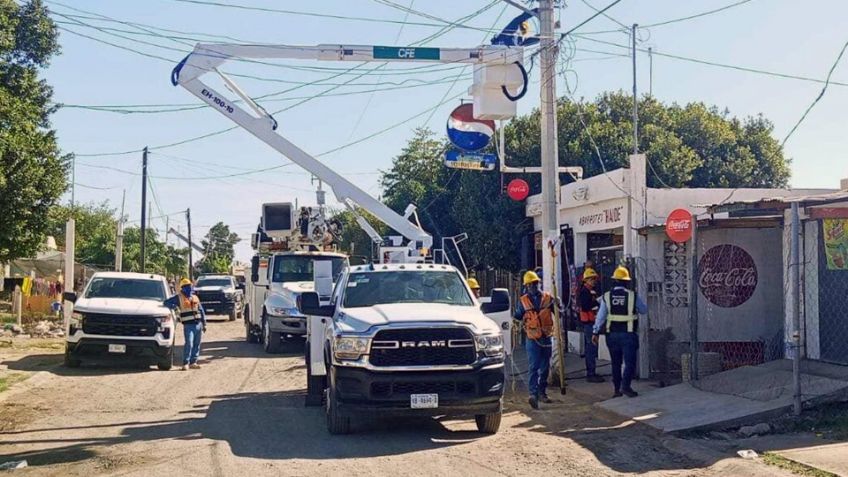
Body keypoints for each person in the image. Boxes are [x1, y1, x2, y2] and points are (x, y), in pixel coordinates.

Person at [592, 266, 647, 398]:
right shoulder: (632, 296)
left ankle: (617, 390)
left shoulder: (606, 296)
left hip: (612, 336)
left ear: (614, 281)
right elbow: (644, 310)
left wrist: (595, 332)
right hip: (628, 335)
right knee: (630, 363)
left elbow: (600, 317)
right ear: (626, 282)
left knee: (615, 363)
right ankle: (626, 387)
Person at [514, 270, 555, 409]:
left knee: (545, 368)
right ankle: (533, 394)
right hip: (532, 339)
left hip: (546, 336)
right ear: (526, 286)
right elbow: (517, 316)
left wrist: (558, 304)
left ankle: (542, 392)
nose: (534, 286)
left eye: (536, 283)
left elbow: (558, 312)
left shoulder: (548, 298)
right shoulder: (523, 301)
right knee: (534, 367)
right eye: (531, 284)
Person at [164, 278, 207, 371]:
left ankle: (193, 362)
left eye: (189, 286)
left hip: (198, 324)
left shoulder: (195, 297)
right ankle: (185, 363)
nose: (188, 288)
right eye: (186, 287)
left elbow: (201, 310)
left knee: (197, 344)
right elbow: (166, 303)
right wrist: (174, 307)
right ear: (182, 288)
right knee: (189, 344)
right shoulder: (178, 298)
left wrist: (204, 323)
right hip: (188, 325)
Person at [579, 268, 604, 383]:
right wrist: (597, 301)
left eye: (594, 279)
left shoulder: (591, 291)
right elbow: (585, 306)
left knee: (592, 349)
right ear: (586, 280)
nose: (594, 281)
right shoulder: (584, 291)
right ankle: (591, 374)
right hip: (588, 323)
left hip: (591, 322)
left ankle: (592, 372)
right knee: (591, 349)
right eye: (592, 279)